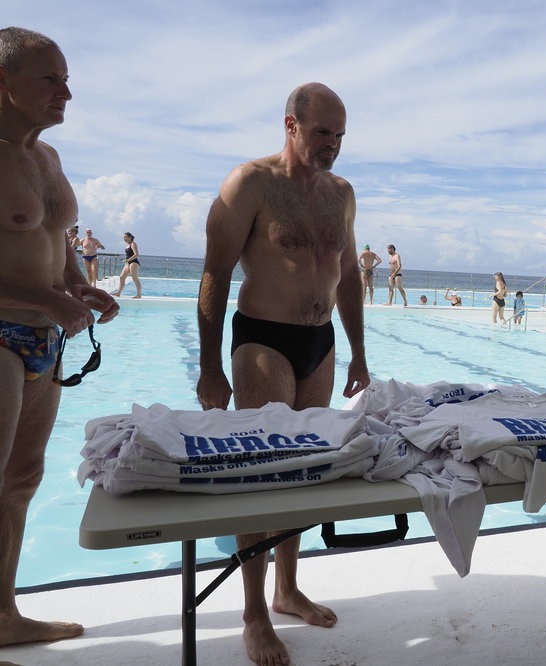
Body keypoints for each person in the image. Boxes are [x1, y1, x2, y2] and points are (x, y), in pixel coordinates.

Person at [196, 82, 370, 666]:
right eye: (324, 132)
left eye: (341, 135)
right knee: (262, 475)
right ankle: (252, 613)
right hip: (263, 339)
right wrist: (209, 365)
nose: (333, 146)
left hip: (319, 344)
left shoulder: (342, 194)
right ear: (291, 124)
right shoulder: (249, 183)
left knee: (303, 474)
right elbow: (215, 275)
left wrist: (358, 353)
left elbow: (346, 277)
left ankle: (287, 588)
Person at [0, 26, 119, 650]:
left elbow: (56, 240)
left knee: (20, 481)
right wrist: (47, 298)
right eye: (50, 78)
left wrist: (76, 286)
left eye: (67, 77)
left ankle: (3, 615)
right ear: (3, 81)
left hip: (45, 341)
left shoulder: (47, 158)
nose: (66, 92)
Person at [111, 232, 140, 298]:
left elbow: (136, 254)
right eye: (124, 237)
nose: (124, 239)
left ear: (130, 237)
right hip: (128, 263)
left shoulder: (133, 244)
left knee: (134, 278)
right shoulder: (127, 245)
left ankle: (139, 294)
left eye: (126, 237)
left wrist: (128, 260)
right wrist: (126, 260)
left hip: (134, 263)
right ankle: (118, 293)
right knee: (121, 277)